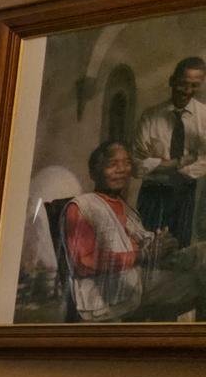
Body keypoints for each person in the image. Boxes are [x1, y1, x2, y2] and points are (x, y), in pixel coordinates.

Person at [60, 140, 199, 320]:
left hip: (136, 279)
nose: (122, 170)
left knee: (201, 253)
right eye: (112, 164)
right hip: (109, 293)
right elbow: (83, 262)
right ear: (94, 172)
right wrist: (143, 255)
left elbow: (140, 245)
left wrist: (164, 244)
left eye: (126, 163)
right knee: (199, 282)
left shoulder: (127, 209)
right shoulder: (82, 206)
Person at [133, 55, 206, 244]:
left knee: (179, 251)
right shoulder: (150, 116)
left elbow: (204, 160)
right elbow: (138, 162)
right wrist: (179, 162)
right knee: (146, 247)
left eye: (195, 85)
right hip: (152, 194)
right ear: (172, 81)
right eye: (183, 83)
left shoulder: (205, 117)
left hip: (185, 195)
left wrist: (163, 167)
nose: (188, 91)